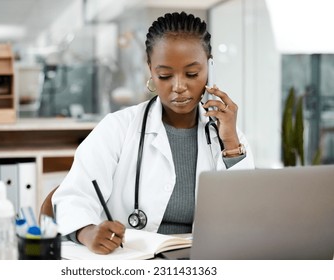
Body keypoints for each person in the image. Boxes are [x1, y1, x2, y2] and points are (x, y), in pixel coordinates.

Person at [52, 11, 255, 255]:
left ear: (209, 66)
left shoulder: (227, 134)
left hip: (201, 259)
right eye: (165, 75)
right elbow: (73, 196)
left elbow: (245, 216)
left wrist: (230, 142)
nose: (179, 87)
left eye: (192, 74)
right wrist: (87, 232)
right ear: (150, 68)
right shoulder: (118, 128)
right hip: (133, 259)